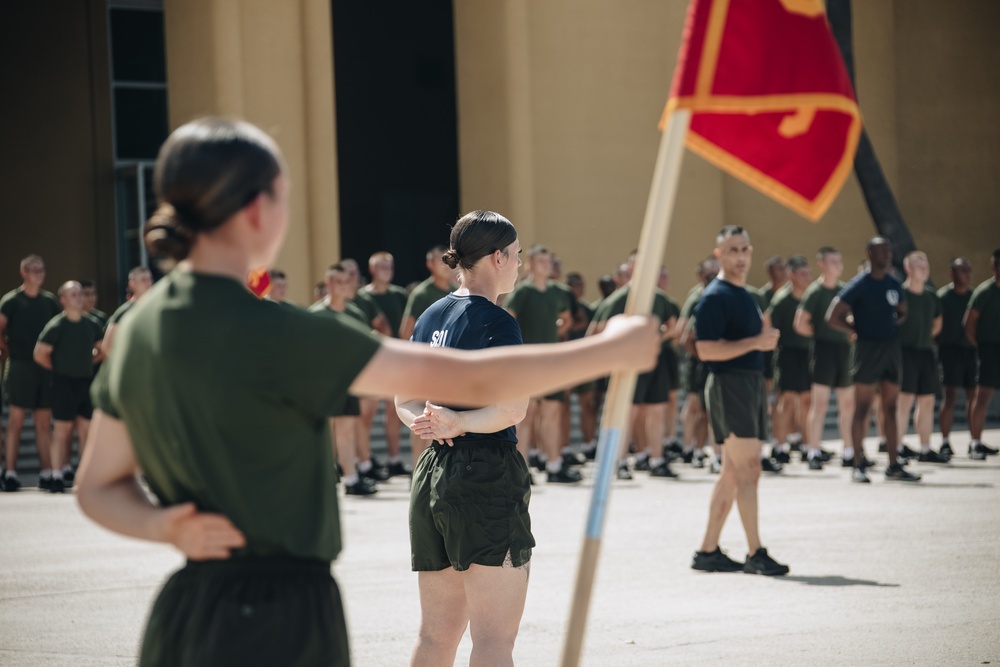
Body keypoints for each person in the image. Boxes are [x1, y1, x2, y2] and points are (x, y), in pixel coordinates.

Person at [73, 118, 659, 667]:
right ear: (257, 209)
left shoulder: (138, 331)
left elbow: (97, 487)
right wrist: (609, 351)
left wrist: (165, 527)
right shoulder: (285, 333)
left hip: (184, 613)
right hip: (285, 615)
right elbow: (477, 381)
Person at [395, 210, 532, 666]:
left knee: (436, 636)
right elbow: (514, 410)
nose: (519, 263)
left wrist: (432, 423)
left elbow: (405, 399)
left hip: (433, 472)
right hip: (485, 472)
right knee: (493, 640)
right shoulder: (497, 321)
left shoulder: (431, 313)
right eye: (516, 255)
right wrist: (460, 422)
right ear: (497, 257)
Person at [691, 226, 789, 576]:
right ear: (719, 254)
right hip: (730, 385)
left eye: (745, 248)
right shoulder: (715, 297)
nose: (741, 255)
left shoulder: (747, 294)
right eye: (733, 249)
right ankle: (755, 553)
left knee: (733, 472)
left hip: (746, 386)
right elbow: (704, 349)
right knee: (749, 470)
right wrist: (755, 343)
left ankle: (707, 551)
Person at [827, 237, 921, 483]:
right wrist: (853, 330)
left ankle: (893, 464)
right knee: (862, 409)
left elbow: (902, 311)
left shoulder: (893, 283)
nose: (887, 255)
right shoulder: (859, 284)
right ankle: (858, 464)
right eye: (882, 251)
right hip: (866, 351)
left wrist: (887, 324)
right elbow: (833, 315)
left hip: (891, 349)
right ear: (870, 253)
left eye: (889, 251)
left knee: (890, 408)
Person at [590, 264, 679, 479]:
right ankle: (619, 462)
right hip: (627, 364)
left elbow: (674, 325)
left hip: (653, 363)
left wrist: (656, 339)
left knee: (657, 411)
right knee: (627, 413)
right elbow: (597, 330)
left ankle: (656, 460)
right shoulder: (620, 298)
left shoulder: (659, 297)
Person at [505, 245, 576, 482]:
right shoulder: (523, 291)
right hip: (528, 362)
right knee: (527, 416)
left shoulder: (558, 292)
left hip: (551, 362)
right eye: (541, 261)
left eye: (549, 261)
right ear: (531, 264)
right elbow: (508, 317)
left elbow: (566, 319)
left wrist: (554, 332)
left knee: (552, 414)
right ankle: (523, 468)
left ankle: (554, 465)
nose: (547, 265)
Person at [309, 263, 381, 496]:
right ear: (329, 284)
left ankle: (351, 479)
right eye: (338, 282)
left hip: (348, 382)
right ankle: (324, 476)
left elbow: (361, 349)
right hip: (322, 383)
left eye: (346, 282)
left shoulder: (355, 314)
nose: (343, 287)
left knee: (347, 431)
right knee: (323, 432)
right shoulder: (316, 315)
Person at [33, 281, 104, 492]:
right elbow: (39, 354)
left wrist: (88, 363)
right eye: (73, 294)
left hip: (85, 382)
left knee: (86, 430)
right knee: (62, 431)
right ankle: (56, 475)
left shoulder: (91, 323)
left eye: (81, 294)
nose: (79, 298)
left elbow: (103, 349)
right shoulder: (57, 325)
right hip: (63, 383)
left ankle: (84, 476)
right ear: (63, 299)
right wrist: (57, 368)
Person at [0, 254, 61, 492]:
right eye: (34, 269)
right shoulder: (11, 300)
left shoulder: (49, 301)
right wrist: (6, 349)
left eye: (42, 269)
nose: (39, 273)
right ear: (23, 272)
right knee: (15, 420)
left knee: (43, 423)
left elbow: (59, 328)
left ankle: (47, 472)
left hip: (44, 368)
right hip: (20, 365)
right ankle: (11, 472)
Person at [794, 247, 854, 469]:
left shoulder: (844, 290)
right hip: (823, 351)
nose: (838, 265)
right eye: (833, 261)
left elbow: (851, 317)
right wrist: (820, 334)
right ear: (822, 264)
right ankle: (813, 451)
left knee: (847, 404)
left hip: (844, 350)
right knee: (819, 405)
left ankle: (849, 451)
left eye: (839, 261)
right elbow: (800, 323)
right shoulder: (815, 291)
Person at [360, 251, 411, 477]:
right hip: (371, 360)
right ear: (371, 270)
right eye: (382, 266)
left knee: (394, 410)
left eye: (389, 266)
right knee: (366, 414)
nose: (387, 269)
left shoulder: (400, 295)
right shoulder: (362, 297)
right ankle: (365, 459)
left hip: (396, 360)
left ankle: (394, 458)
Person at [895, 251, 946, 463]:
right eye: (920, 266)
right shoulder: (900, 294)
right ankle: (896, 448)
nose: (925, 270)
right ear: (909, 269)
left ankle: (925, 449)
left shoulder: (931, 295)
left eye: (926, 266)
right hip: (904, 353)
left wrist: (924, 336)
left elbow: (937, 323)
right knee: (904, 402)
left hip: (926, 352)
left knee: (927, 401)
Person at [764, 255, 812, 466]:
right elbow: (768, 324)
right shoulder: (782, 300)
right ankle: (780, 445)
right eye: (802, 274)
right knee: (786, 400)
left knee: (806, 400)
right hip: (787, 353)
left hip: (808, 353)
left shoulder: (810, 296)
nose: (807, 277)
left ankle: (807, 445)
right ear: (791, 275)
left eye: (808, 273)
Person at [936, 257, 976, 458]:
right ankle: (944, 442)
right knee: (950, 396)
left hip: (971, 351)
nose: (967, 274)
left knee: (973, 396)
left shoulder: (974, 296)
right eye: (962, 270)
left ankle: (975, 441)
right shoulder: (943, 297)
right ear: (952, 273)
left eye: (968, 270)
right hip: (949, 351)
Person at [964, 248, 1000, 459]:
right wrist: (979, 345)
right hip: (988, 347)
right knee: (983, 396)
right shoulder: (984, 292)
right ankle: (975, 443)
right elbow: (969, 323)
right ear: (994, 267)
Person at [102, 266, 154, 356]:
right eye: (143, 280)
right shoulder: (124, 312)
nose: (148, 283)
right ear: (132, 284)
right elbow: (107, 347)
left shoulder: (153, 307)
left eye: (149, 279)